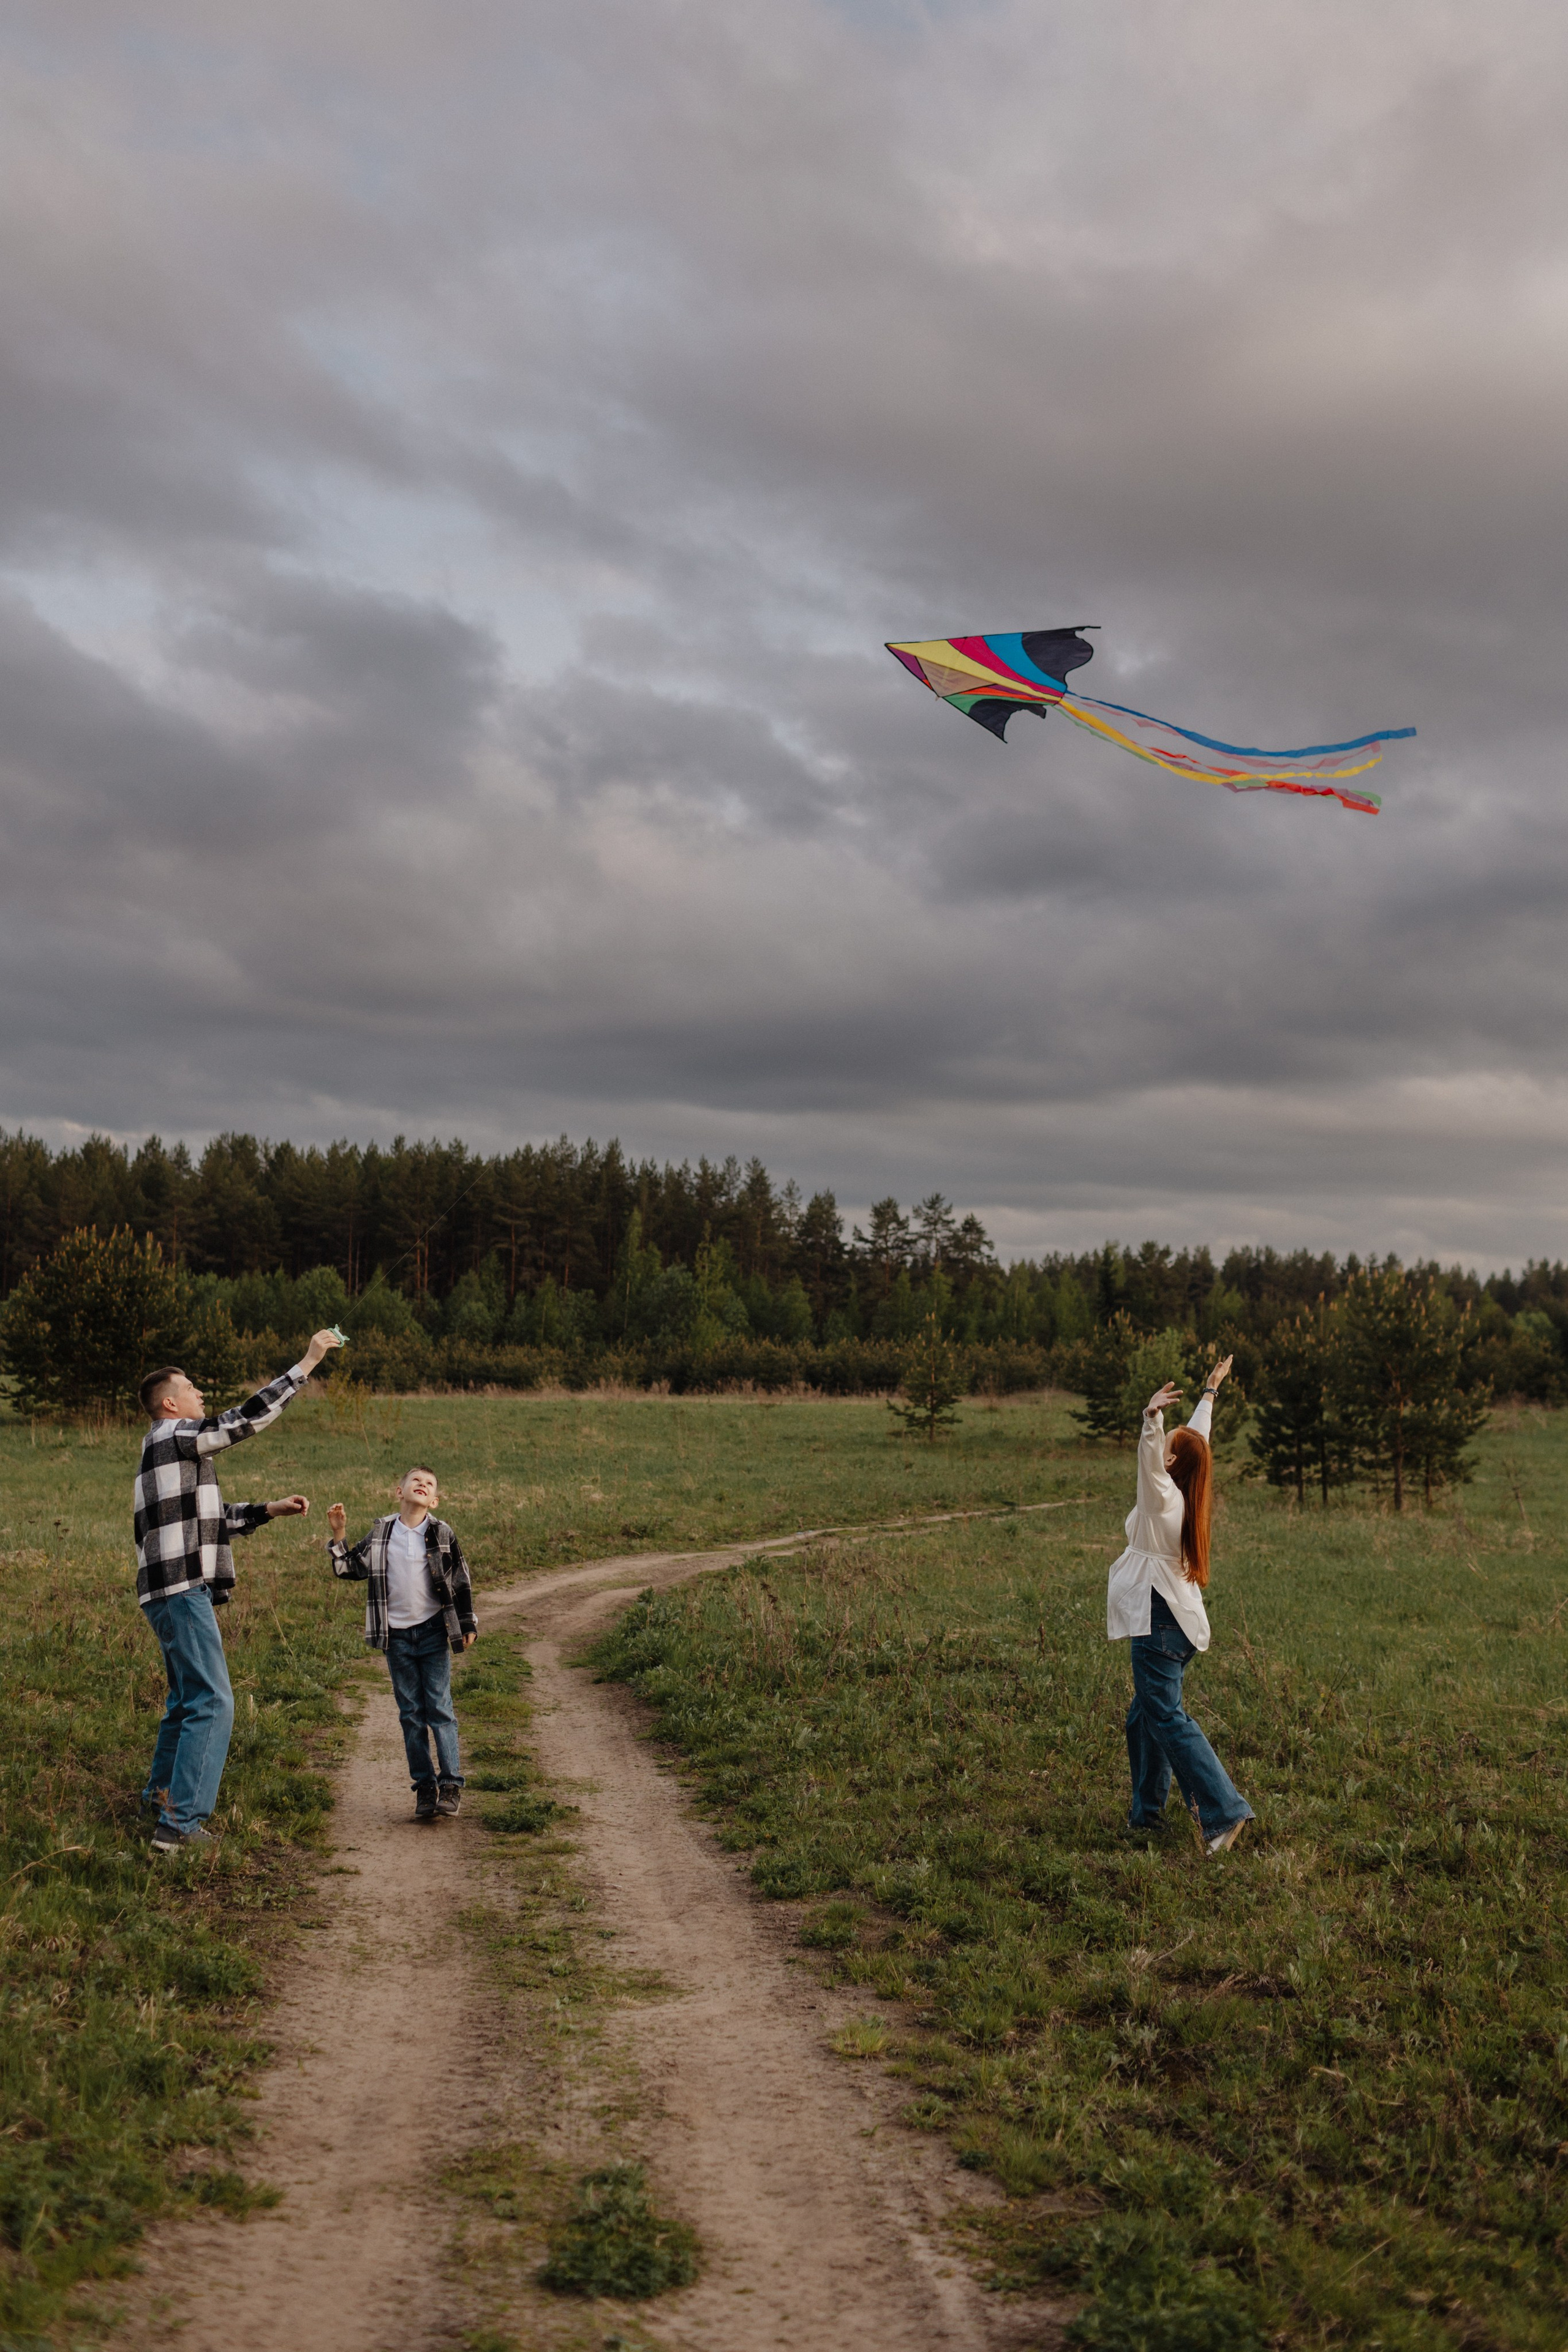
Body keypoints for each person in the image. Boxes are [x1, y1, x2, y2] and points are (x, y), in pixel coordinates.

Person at [134, 1330, 344, 1855]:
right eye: (191, 1388)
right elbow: (241, 1420)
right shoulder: (175, 1435)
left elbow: (209, 1521)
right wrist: (308, 1362)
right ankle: (180, 1827)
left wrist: (267, 1510)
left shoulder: (167, 1452)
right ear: (169, 1403)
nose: (200, 1393)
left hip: (167, 1591)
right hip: (182, 1591)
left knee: (186, 1701)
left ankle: (159, 1801)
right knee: (213, 1701)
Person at [1106, 1355, 1253, 1856]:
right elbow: (1198, 1442)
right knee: (1143, 1716)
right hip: (1179, 1622)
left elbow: (1154, 1460)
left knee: (1166, 1717)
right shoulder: (1191, 1486)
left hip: (1159, 1622)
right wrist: (1209, 1392)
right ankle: (1146, 1815)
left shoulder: (1161, 1499)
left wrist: (1152, 1421)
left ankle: (1225, 1812)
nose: (1170, 1446)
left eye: (1169, 1449)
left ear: (1170, 1463)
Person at [326, 1467, 478, 1822]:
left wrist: (468, 1621)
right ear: (400, 1491)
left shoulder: (442, 1532)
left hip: (432, 1632)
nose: (422, 1486)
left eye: (429, 1484)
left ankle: (451, 1784)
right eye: (416, 1481)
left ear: (435, 1500)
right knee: (411, 1713)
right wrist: (339, 1533)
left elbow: (460, 1579)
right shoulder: (382, 1532)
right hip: (396, 1636)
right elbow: (349, 1568)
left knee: (439, 1707)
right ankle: (425, 1787)